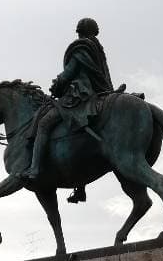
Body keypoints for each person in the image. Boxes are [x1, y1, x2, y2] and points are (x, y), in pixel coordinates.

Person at [22, 17, 117, 187]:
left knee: (44, 124)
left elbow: (70, 72)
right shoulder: (97, 48)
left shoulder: (80, 48)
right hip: (97, 92)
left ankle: (35, 168)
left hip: (78, 95)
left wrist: (57, 84)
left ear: (79, 31)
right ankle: (79, 186)